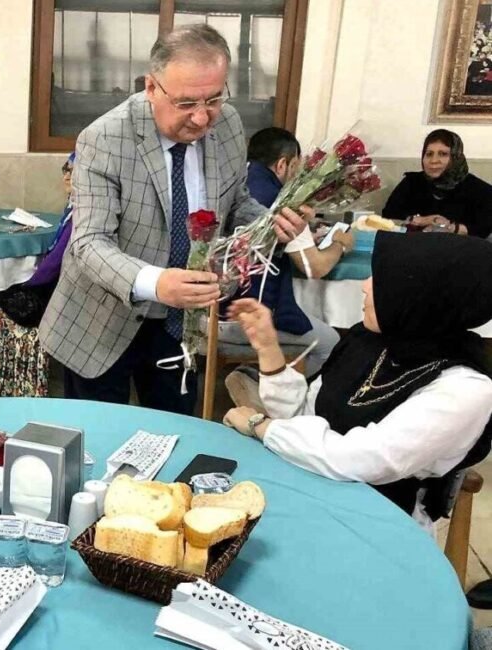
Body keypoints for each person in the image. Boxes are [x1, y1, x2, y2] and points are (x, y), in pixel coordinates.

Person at [38, 24, 309, 415]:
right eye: (186, 104)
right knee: (97, 442)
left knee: (174, 434)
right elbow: (89, 242)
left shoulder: (229, 126)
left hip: (182, 323)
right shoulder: (105, 138)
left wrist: (271, 223)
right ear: (152, 88)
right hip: (102, 319)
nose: (202, 119)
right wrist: (157, 282)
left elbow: (236, 204)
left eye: (214, 99)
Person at [223, 233, 492, 533]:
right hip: (312, 484)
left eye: (382, 279)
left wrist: (260, 425)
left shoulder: (466, 389)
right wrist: (268, 349)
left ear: (423, 294)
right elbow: (305, 416)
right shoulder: (369, 341)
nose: (364, 285)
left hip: (379, 520)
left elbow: (365, 460)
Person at [219, 127, 348, 376]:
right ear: (282, 164)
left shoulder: (233, 186)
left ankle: (251, 375)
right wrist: (339, 243)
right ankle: (262, 387)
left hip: (211, 312)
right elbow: (314, 267)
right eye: (295, 167)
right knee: (331, 343)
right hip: (249, 316)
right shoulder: (281, 204)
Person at [0, 152, 75, 397]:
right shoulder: (72, 208)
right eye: (65, 169)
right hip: (55, 286)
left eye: (73, 170)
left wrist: (28, 284)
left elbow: (55, 264)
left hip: (57, 295)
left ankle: (2, 385)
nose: (67, 176)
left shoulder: (81, 214)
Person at [381, 129, 492, 238]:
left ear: (456, 157)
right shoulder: (411, 182)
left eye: (443, 154)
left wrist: (449, 227)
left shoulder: (479, 190)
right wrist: (423, 220)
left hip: (458, 252)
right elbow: (388, 216)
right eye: (429, 154)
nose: (434, 160)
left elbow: (483, 229)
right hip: (411, 248)